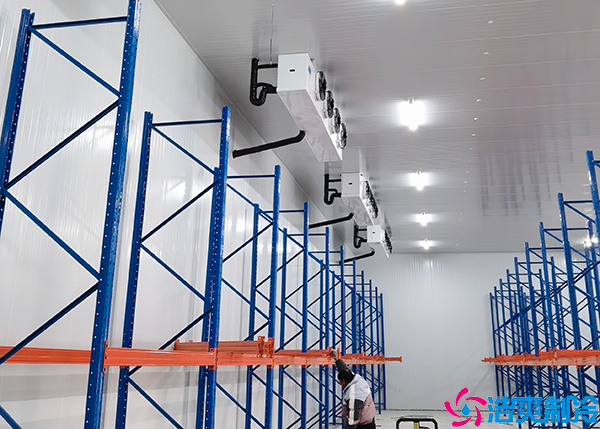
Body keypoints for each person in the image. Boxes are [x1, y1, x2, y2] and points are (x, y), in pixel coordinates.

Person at [331, 349, 376, 429]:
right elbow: (345, 370)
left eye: (340, 382)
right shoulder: (356, 379)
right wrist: (337, 359)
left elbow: (353, 420)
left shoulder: (354, 395)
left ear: (344, 381)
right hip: (369, 421)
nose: (340, 384)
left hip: (363, 426)